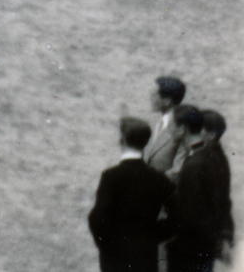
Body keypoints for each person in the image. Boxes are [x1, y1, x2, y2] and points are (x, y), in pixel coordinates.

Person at [87, 116, 176, 272]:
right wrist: (154, 234)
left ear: (121, 140)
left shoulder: (111, 176)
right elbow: (179, 215)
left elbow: (97, 217)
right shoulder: (158, 178)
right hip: (145, 255)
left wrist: (106, 244)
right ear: (146, 142)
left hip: (115, 255)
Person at [168, 108, 234, 272]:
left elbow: (192, 212)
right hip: (203, 247)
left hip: (190, 250)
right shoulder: (214, 158)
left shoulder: (196, 163)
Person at [147, 76, 189, 176]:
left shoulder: (180, 127)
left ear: (167, 101)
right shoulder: (157, 123)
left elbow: (178, 169)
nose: (150, 99)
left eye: (154, 96)